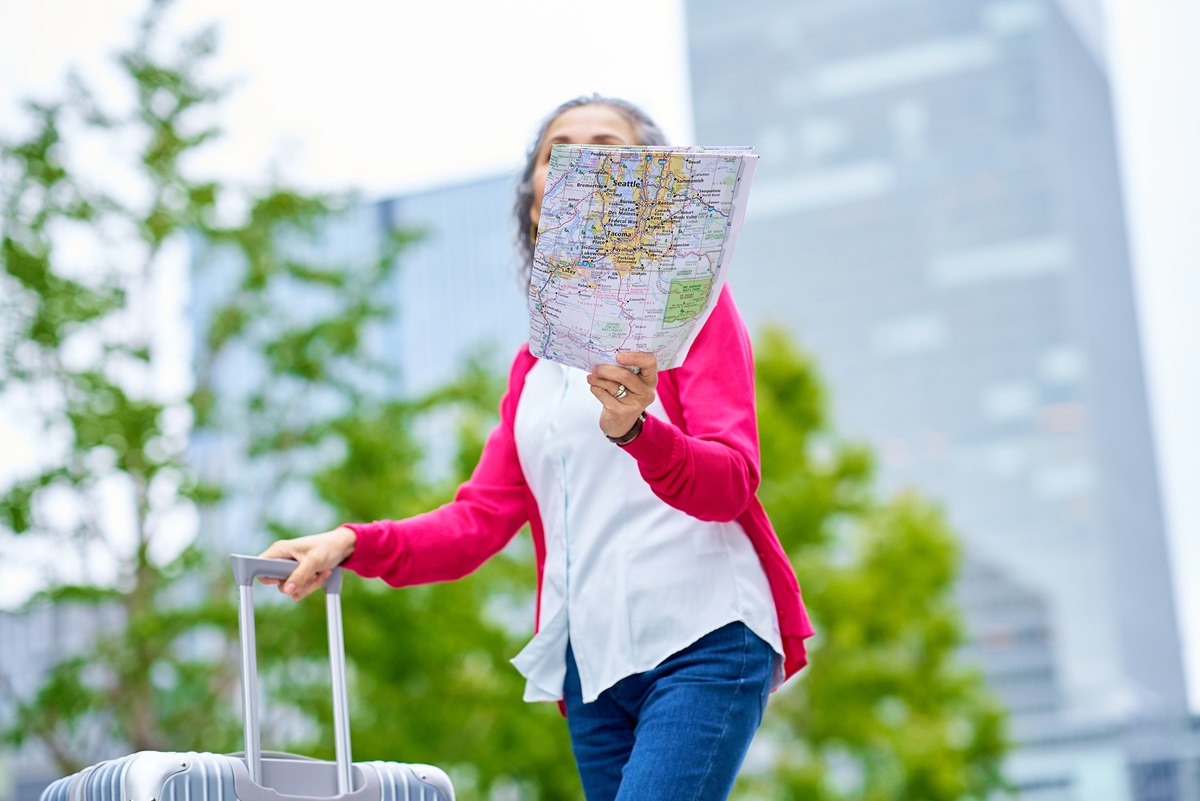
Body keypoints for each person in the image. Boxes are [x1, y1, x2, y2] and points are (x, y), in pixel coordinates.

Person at [259, 95, 815, 801]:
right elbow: (477, 521)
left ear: (652, 186)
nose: (583, 160)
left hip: (704, 636)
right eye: (561, 151)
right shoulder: (536, 364)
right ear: (535, 205)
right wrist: (350, 540)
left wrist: (641, 432)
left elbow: (732, 482)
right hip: (590, 672)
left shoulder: (694, 311)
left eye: (608, 148)